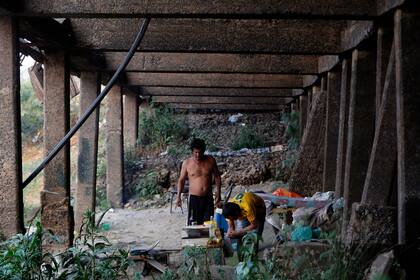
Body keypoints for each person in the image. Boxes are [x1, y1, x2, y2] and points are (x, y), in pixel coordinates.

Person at [176, 138, 221, 225]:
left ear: (203, 151)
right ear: (192, 152)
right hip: (194, 199)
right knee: (194, 225)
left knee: (208, 224)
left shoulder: (210, 160)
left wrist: (218, 194)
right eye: (195, 152)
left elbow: (217, 177)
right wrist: (178, 197)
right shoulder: (187, 163)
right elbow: (181, 180)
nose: (198, 155)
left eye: (200, 152)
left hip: (208, 198)